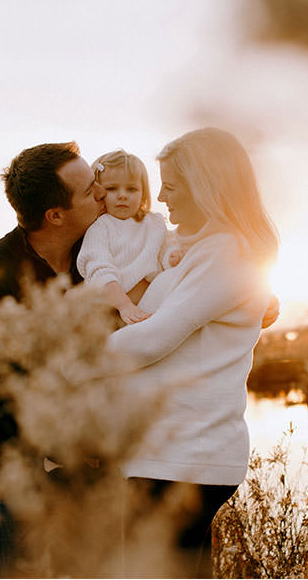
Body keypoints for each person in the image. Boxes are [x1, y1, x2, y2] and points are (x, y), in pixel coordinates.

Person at [105, 128, 279, 577]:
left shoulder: (226, 253)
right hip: (176, 454)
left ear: (207, 188)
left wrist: (69, 365)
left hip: (184, 457)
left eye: (173, 186)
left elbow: (153, 338)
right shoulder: (209, 250)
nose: (160, 197)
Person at [0, 141, 104, 577]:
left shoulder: (96, 254)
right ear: (55, 215)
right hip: (8, 463)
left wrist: (248, 296)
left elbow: (171, 271)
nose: (102, 192)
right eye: (90, 188)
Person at [76, 149, 182, 325]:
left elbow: (165, 247)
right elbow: (99, 270)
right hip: (114, 307)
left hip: (153, 303)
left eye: (131, 189)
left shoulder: (153, 223)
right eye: (112, 189)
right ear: (99, 193)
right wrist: (123, 304)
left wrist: (171, 256)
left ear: (143, 193)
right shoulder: (101, 228)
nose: (122, 195)